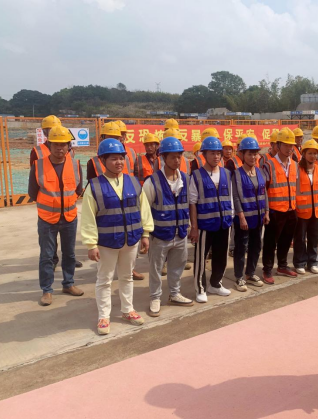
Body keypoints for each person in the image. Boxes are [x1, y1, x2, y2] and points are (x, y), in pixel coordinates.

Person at [81, 138, 154, 336]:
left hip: (131, 239)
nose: (119, 162)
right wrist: (91, 244)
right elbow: (88, 217)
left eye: (121, 158)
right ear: (103, 161)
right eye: (114, 158)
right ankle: (104, 316)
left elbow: (143, 209)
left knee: (126, 276)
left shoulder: (133, 182)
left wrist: (145, 233)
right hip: (106, 243)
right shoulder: (94, 186)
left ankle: (127, 310)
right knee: (104, 279)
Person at [28, 126, 84, 307]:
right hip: (47, 219)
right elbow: (32, 192)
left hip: (69, 217)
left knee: (70, 254)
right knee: (46, 256)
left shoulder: (75, 165)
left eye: (63, 144)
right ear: (49, 145)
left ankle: (68, 284)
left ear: (69, 146)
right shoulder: (38, 165)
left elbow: (78, 190)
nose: (60, 148)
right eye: (56, 145)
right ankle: (47, 290)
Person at [143, 137, 194, 317]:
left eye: (179, 156)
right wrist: (145, 235)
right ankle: (155, 298)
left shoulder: (186, 179)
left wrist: (192, 227)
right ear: (163, 158)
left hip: (180, 234)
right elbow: (144, 210)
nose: (177, 160)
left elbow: (190, 204)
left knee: (177, 267)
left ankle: (174, 294)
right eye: (173, 157)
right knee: (156, 269)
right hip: (159, 235)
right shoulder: (152, 182)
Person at [189, 137, 234, 303]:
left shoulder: (226, 173)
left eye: (218, 153)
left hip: (224, 223)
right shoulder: (196, 176)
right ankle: (200, 289)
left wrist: (231, 217)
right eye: (212, 153)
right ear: (204, 154)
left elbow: (230, 197)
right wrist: (194, 227)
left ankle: (216, 284)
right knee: (201, 259)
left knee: (221, 256)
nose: (216, 156)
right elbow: (192, 203)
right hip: (205, 225)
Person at [262, 128, 299, 285]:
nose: (290, 148)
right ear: (278, 145)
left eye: (291, 145)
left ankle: (282, 266)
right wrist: (266, 211)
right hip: (275, 211)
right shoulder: (269, 165)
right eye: (286, 145)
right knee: (270, 243)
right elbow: (263, 190)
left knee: (286, 241)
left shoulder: (295, 164)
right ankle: (267, 269)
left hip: (291, 210)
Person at [232, 137, 270, 292]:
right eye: (249, 154)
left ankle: (250, 273)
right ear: (242, 154)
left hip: (258, 218)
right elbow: (236, 197)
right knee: (241, 248)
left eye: (255, 154)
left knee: (256, 246)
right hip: (244, 220)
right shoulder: (237, 174)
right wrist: (241, 217)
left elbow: (264, 193)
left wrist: (266, 212)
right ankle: (239, 277)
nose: (253, 157)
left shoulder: (260, 172)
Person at [293, 140, 318, 275]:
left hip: (316, 211)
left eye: (315, 153)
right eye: (310, 153)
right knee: (300, 239)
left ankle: (313, 262)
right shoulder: (297, 170)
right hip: (301, 211)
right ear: (304, 154)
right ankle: (299, 262)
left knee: (314, 238)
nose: (313, 156)